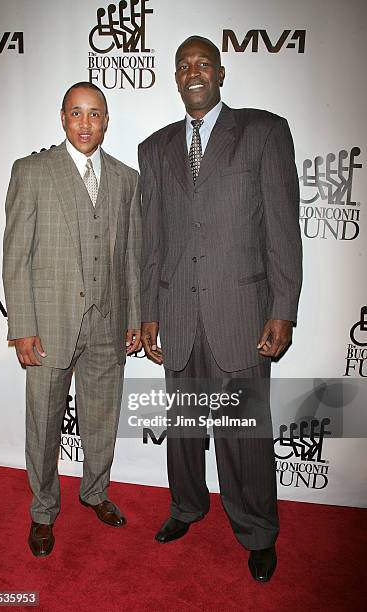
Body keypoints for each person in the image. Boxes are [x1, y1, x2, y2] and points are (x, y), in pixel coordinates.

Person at [139, 36, 302, 582]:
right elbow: (153, 242)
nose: (192, 71)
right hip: (179, 314)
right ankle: (186, 507)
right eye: (182, 64)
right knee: (185, 429)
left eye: (202, 63)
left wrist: (283, 308)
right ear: (175, 76)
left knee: (243, 435)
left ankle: (257, 530)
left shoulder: (263, 132)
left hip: (242, 313)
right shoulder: (156, 148)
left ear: (221, 72)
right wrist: (148, 310)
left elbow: (282, 229)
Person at [3, 82, 141, 557]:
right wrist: (21, 326)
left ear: (107, 120)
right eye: (77, 114)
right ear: (63, 118)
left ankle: (95, 491)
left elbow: (132, 258)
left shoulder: (126, 179)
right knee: (43, 423)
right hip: (50, 325)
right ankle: (43, 511)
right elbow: (15, 256)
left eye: (95, 114)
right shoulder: (33, 171)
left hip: (108, 322)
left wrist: (135, 317)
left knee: (101, 417)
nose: (86, 123)